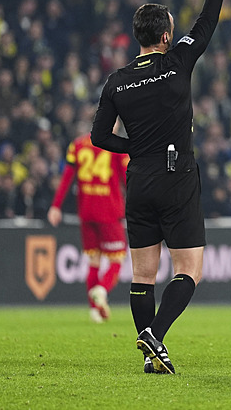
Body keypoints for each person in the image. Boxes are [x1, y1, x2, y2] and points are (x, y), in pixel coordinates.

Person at [91, 0, 231, 374]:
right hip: (177, 177)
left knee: (142, 275)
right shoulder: (176, 62)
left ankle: (152, 360)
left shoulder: (116, 80)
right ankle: (155, 334)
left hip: (140, 179)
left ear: (138, 37)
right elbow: (207, 21)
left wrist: (136, 146)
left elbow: (99, 137)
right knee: (189, 269)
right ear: (167, 35)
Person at [47, 124, 129, 324]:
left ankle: (94, 311)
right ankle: (101, 290)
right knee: (117, 260)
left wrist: (55, 206)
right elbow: (128, 179)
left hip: (86, 211)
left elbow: (66, 178)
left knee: (94, 260)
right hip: (108, 211)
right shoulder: (117, 146)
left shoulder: (77, 145)